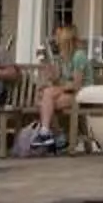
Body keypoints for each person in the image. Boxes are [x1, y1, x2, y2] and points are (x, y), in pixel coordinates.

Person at [32, 24, 90, 153]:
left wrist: (55, 89)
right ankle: (55, 136)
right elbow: (59, 81)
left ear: (66, 39)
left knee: (46, 101)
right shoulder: (64, 58)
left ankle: (51, 135)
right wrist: (48, 69)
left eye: (58, 37)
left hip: (82, 94)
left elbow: (76, 85)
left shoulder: (79, 56)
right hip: (70, 93)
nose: (56, 41)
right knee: (43, 99)